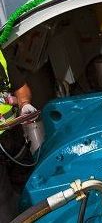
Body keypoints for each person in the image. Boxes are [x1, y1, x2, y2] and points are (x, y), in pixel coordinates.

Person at [0, 50, 37, 223]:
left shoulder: (1, 56)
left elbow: (21, 87)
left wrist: (24, 104)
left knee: (32, 188)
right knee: (6, 209)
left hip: (14, 138)